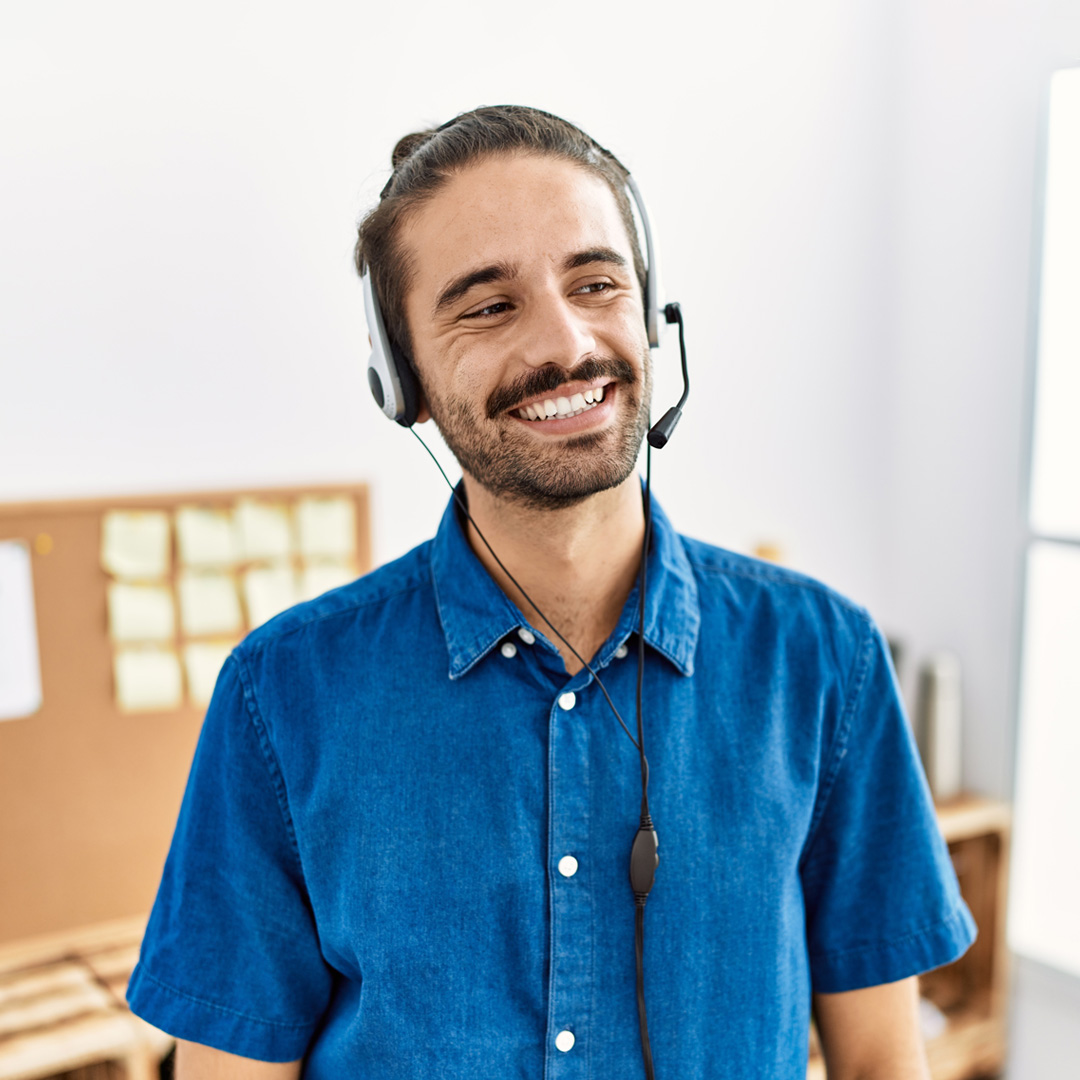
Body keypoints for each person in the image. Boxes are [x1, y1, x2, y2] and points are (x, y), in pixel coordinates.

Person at [127, 105, 975, 1079]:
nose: (565, 342)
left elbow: (881, 1064)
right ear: (400, 376)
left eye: (596, 283)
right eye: (489, 305)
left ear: (650, 313)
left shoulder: (825, 661)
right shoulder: (279, 697)